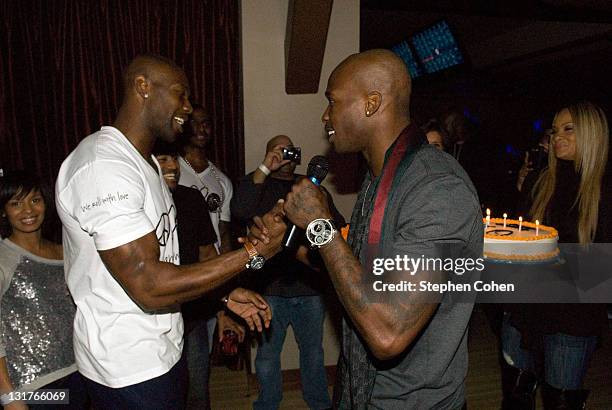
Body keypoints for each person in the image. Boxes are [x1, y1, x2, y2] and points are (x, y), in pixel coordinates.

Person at [55, 54, 284, 409]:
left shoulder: (144, 163)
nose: (188, 108)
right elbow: (149, 285)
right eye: (181, 94)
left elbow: (171, 260)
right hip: (127, 367)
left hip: (162, 350)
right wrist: (252, 254)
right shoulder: (103, 166)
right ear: (143, 87)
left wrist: (222, 295)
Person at [283, 49, 482, 408]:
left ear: (371, 103)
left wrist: (322, 227)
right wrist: (282, 247)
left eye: (332, 101)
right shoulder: (382, 177)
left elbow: (389, 331)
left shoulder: (436, 189)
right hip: (360, 391)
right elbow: (363, 277)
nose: (325, 116)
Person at [502, 101, 611, 409]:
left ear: (592, 134)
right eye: (554, 130)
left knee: (560, 399)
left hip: (573, 318)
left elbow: (600, 274)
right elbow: (516, 238)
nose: (557, 136)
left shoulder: (604, 190)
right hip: (524, 310)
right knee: (515, 396)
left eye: (568, 129)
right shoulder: (540, 181)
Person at [231, 135, 344, 410]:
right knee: (268, 356)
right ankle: (267, 404)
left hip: (310, 290)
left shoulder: (309, 186)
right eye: (278, 150)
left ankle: (319, 404)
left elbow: (336, 225)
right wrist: (265, 168)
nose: (286, 155)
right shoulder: (257, 182)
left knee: (313, 354)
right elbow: (239, 210)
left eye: (290, 150)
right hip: (270, 291)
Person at [152, 140, 245, 409]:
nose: (170, 166)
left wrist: (222, 310)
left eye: (173, 159)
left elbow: (208, 258)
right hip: (151, 322)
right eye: (161, 159)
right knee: (164, 396)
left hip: (192, 317)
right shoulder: (136, 204)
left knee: (197, 393)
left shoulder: (191, 199)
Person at [0, 172, 87, 409]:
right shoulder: (4, 257)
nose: (28, 210)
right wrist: (9, 397)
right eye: (15, 204)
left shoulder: (66, 251)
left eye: (35, 200)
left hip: (82, 373)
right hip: (34, 389)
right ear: (4, 211)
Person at [178, 103, 235, 349]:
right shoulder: (171, 169)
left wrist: (227, 277)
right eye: (196, 122)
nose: (202, 129)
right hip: (179, 273)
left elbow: (223, 233)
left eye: (207, 123)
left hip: (209, 275)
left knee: (202, 355)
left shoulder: (221, 180)